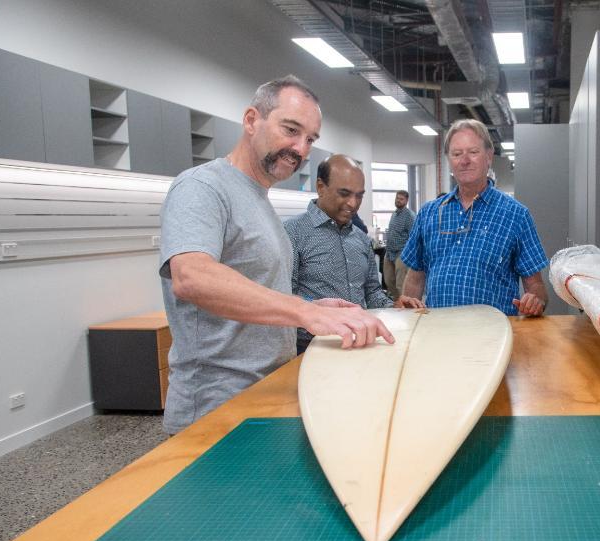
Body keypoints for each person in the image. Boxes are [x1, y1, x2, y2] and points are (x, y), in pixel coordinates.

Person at [158, 75, 394, 434]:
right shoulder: (201, 186)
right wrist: (303, 311)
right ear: (252, 120)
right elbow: (192, 277)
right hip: (214, 409)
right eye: (291, 130)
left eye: (310, 139)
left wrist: (309, 306)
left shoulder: (260, 201)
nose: (300, 149)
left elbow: (257, 290)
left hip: (265, 394)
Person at [401, 119, 549, 316]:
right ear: (449, 160)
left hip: (493, 339)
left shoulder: (516, 215)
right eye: (456, 154)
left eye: (473, 152)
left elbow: (537, 288)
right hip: (437, 335)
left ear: (488, 156)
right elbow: (415, 279)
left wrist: (535, 302)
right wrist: (408, 314)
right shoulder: (429, 213)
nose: (464, 160)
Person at [285, 155, 423, 354]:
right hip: (311, 349)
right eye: (345, 193)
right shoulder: (292, 233)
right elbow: (284, 298)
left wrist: (395, 304)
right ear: (321, 187)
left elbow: (372, 293)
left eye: (359, 195)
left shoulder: (361, 239)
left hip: (361, 345)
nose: (353, 203)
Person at [383, 189, 415, 298]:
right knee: (388, 280)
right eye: (397, 198)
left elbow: (413, 237)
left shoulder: (409, 216)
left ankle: (405, 307)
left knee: (400, 283)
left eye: (401, 199)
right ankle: (397, 301)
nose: (398, 201)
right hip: (390, 252)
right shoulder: (394, 214)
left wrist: (409, 254)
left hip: (402, 252)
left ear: (406, 201)